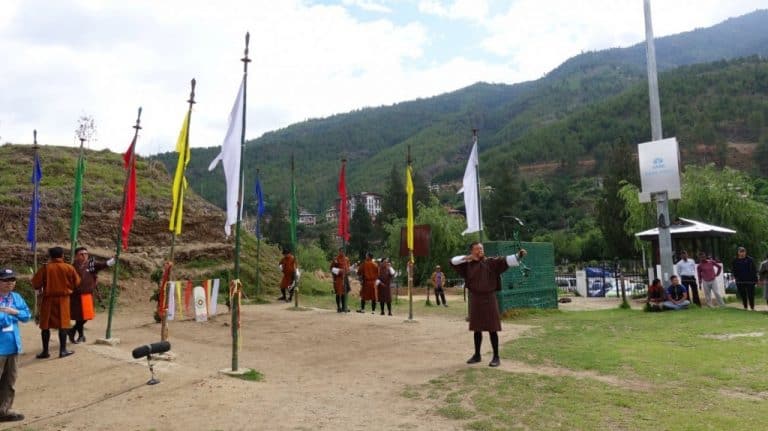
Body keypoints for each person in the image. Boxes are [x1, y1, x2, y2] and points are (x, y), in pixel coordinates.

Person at [451, 242, 526, 367]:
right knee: (477, 329)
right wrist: (469, 258)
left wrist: (518, 256)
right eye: (477, 249)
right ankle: (477, 355)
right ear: (472, 251)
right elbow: (453, 261)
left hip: (489, 298)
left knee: (493, 329)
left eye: (481, 248)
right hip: (475, 299)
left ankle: (496, 356)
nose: (480, 250)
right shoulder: (467, 265)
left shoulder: (491, 262)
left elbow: (505, 261)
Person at [31, 246, 80, 358]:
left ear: (50, 256)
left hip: (48, 299)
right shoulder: (69, 268)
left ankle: (45, 351)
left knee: (45, 326)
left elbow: (35, 284)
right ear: (62, 255)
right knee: (63, 325)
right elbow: (77, 282)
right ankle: (62, 350)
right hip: (64, 299)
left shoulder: (46, 268)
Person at [0, 269, 30, 422]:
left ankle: (3, 411)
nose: (9, 283)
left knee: (9, 382)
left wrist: (13, 311)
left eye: (12, 280)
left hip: (13, 347)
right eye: (5, 280)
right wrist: (7, 317)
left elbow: (26, 316)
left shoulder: (16, 298)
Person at [69, 247, 115, 344]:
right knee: (79, 317)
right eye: (81, 254)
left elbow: (103, 265)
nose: (84, 255)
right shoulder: (72, 267)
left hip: (87, 295)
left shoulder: (91, 265)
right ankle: (81, 336)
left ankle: (72, 330)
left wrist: (113, 260)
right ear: (76, 256)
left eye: (86, 254)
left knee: (86, 317)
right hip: (75, 296)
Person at [331, 248, 351, 313]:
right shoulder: (336, 259)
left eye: (343, 251)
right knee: (338, 293)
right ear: (339, 252)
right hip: (338, 278)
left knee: (344, 293)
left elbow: (348, 268)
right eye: (341, 251)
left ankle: (343, 307)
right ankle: (338, 307)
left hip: (345, 278)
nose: (342, 252)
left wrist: (347, 271)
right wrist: (339, 271)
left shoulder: (346, 259)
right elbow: (332, 268)